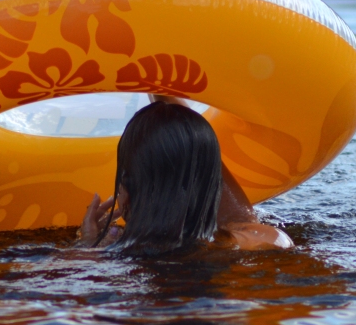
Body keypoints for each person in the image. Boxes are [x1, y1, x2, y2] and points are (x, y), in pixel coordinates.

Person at [76, 96, 293, 253]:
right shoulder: (266, 241)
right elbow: (238, 220)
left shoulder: (108, 256)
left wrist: (87, 244)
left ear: (126, 190)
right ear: (211, 183)